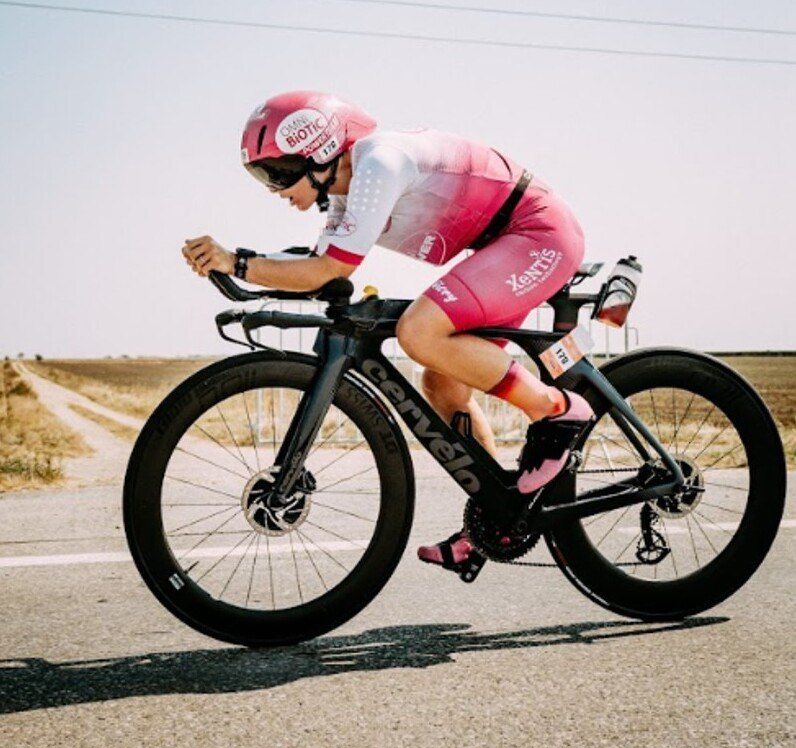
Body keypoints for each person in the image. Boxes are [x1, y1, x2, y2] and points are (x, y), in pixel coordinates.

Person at [182, 90, 594, 574]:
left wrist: (238, 262)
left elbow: (326, 269)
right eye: (262, 176)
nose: (274, 189)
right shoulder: (344, 190)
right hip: (503, 244)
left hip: (534, 233)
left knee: (418, 331)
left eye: (278, 173)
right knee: (441, 382)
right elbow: (324, 271)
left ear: (319, 152)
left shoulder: (378, 163)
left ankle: (558, 413)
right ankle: (495, 519)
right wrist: (240, 266)